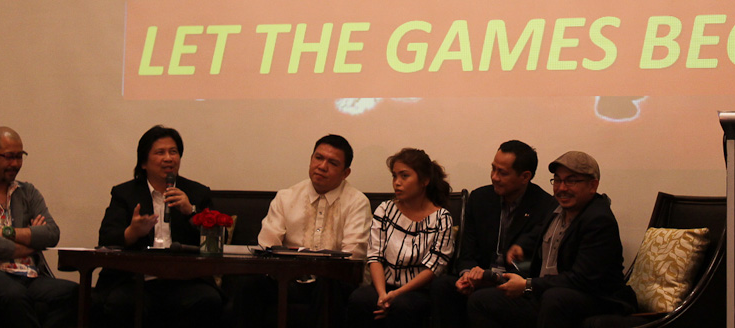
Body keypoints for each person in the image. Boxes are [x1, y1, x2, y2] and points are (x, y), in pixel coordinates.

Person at [468, 151, 636, 328]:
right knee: (480, 300)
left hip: (598, 298)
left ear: (592, 185)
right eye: (557, 180)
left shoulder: (598, 220)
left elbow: (581, 279)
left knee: (554, 298)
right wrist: (521, 245)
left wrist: (528, 285)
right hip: (549, 292)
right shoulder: (558, 208)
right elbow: (540, 231)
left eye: (571, 181)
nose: (561, 188)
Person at [231, 134, 372, 327]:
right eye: (318, 158)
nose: (322, 166)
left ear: (345, 173)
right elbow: (267, 247)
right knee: (248, 285)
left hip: (333, 283)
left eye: (332, 163)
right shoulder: (286, 197)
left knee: (329, 282)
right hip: (288, 280)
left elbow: (353, 256)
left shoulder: (357, 202)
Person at [0, 126, 77, 328]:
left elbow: (52, 234)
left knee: (75, 294)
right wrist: (33, 244)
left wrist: (4, 232)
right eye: (9, 157)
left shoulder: (28, 192)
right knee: (14, 295)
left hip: (28, 274)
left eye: (19, 156)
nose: (15, 164)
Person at [96, 125, 222, 327]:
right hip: (134, 280)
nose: (168, 158)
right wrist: (132, 233)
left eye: (173, 152)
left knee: (208, 300)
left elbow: (215, 244)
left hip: (186, 280)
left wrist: (191, 212)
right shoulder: (124, 194)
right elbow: (106, 238)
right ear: (143, 162)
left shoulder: (197, 193)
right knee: (121, 303)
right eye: (160, 152)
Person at [431, 140, 557, 328]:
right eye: (493, 169)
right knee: (442, 286)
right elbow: (467, 253)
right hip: (479, 277)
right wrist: (467, 275)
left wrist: (491, 278)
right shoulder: (480, 198)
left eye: (502, 173)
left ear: (525, 176)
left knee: (483, 298)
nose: (494, 177)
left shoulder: (546, 207)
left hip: (515, 283)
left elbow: (530, 263)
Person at [348, 148, 455, 327]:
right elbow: (375, 256)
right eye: (394, 176)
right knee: (360, 299)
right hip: (384, 285)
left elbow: (434, 268)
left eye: (404, 176)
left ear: (425, 181)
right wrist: (383, 294)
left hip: (418, 290)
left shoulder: (441, 218)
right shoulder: (385, 210)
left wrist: (396, 294)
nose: (397, 183)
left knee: (402, 306)